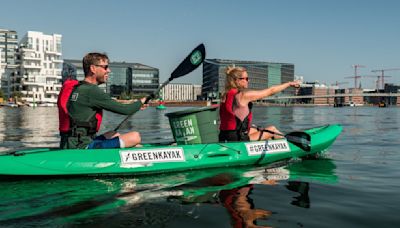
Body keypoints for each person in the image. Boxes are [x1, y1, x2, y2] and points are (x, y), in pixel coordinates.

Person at [58, 52, 146, 149]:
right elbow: (126, 110)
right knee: (135, 137)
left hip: (70, 142)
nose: (108, 70)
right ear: (93, 69)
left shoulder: (79, 87)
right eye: (105, 67)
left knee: (114, 134)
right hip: (81, 146)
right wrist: (142, 101)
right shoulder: (91, 91)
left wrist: (136, 105)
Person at [219, 66, 300, 142]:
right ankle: (289, 146)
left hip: (224, 136)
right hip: (237, 139)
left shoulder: (224, 95)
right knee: (272, 130)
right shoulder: (244, 96)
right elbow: (271, 91)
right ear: (237, 80)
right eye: (246, 79)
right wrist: (289, 84)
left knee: (255, 130)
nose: (248, 81)